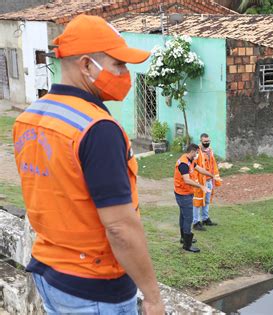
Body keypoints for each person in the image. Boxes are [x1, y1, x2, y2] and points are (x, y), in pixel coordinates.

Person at [12, 15, 164, 315]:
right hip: (94, 290)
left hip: (50, 274)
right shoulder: (97, 129)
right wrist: (152, 296)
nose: (125, 74)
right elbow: (120, 227)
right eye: (118, 65)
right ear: (85, 65)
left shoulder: (29, 118)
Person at [174, 143, 214, 253]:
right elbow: (186, 180)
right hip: (183, 194)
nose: (197, 154)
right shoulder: (183, 163)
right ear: (192, 151)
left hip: (185, 193)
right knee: (188, 218)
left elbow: (199, 169)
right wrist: (201, 186)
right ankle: (187, 245)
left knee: (183, 216)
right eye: (197, 152)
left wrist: (211, 175)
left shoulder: (190, 160)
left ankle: (184, 238)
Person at [192, 133, 221, 231]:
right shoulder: (197, 153)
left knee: (207, 201)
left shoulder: (210, 151)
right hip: (200, 182)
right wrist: (196, 181)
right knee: (197, 201)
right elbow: (193, 167)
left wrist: (215, 177)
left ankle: (205, 219)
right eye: (205, 142)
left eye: (208, 141)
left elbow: (214, 165)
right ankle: (196, 222)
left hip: (208, 181)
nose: (207, 143)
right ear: (201, 141)